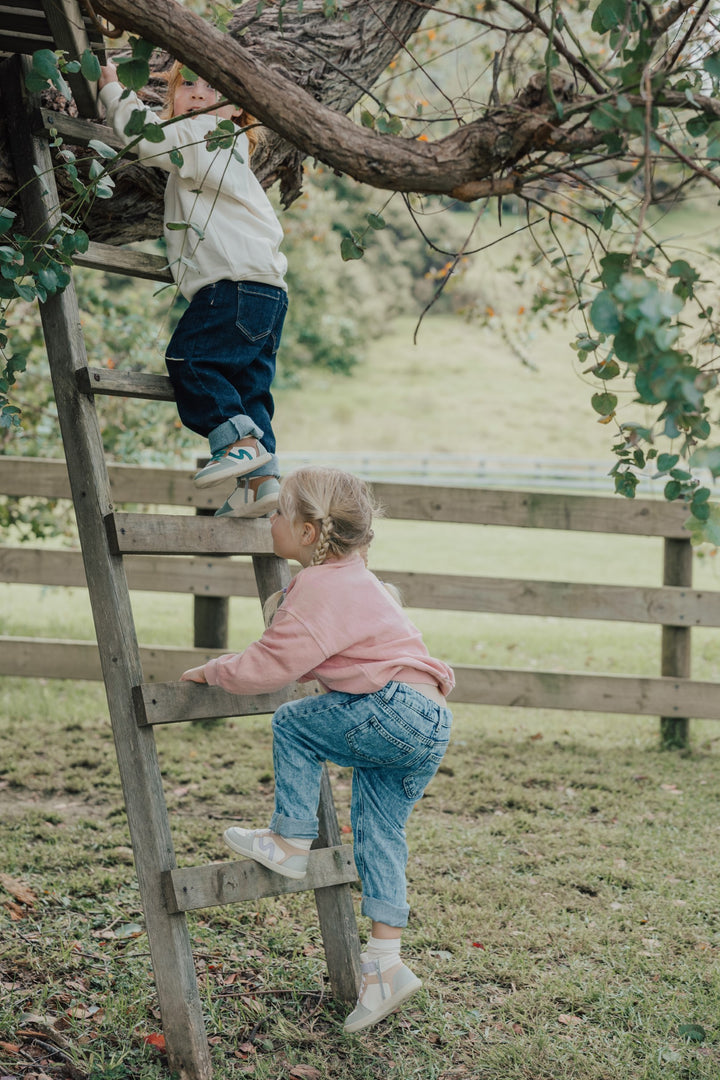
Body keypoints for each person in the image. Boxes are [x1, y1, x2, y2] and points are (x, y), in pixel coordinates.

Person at [180, 466, 454, 1032]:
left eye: (278, 513)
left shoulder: (319, 585)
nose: (270, 520)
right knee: (379, 833)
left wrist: (214, 670)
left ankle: (289, 838)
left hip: (394, 709)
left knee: (294, 724)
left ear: (308, 533)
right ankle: (384, 965)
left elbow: (269, 666)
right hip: (429, 720)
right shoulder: (361, 579)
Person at [97, 61, 288, 518]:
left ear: (236, 108)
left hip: (233, 284)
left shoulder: (208, 133)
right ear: (172, 96)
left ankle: (238, 443)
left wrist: (112, 91)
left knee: (190, 358)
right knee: (248, 388)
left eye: (213, 88)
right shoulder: (227, 146)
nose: (200, 95)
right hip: (268, 291)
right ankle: (261, 486)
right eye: (189, 86)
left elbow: (145, 136)